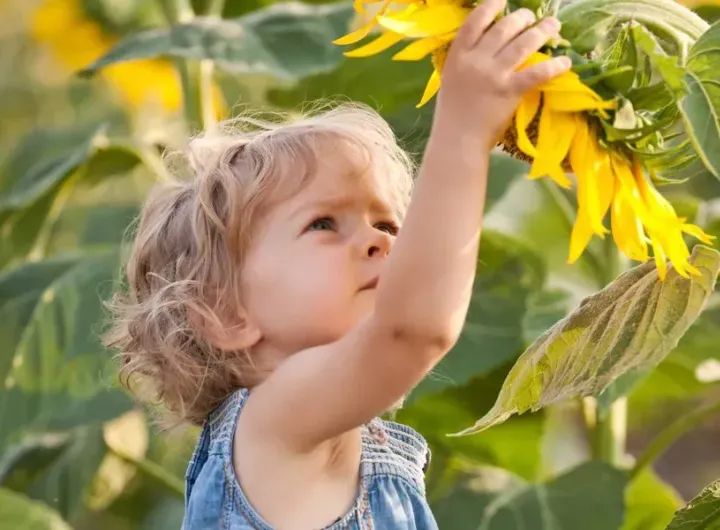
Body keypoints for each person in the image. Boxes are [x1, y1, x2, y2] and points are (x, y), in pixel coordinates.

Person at [105, 0, 570, 527]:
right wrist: (464, 129)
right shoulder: (272, 422)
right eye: (324, 224)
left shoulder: (339, 434)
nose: (379, 243)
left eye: (391, 226)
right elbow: (411, 330)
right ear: (225, 312)